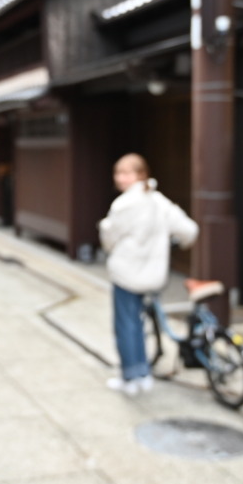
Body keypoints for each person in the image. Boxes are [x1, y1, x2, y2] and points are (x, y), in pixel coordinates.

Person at [98, 153, 198, 395]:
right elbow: (189, 230)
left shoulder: (123, 205)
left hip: (126, 274)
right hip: (153, 276)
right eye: (118, 173)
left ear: (141, 174)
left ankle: (130, 378)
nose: (121, 178)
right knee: (139, 323)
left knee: (127, 325)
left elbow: (108, 237)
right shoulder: (158, 201)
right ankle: (143, 375)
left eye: (126, 173)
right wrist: (172, 242)